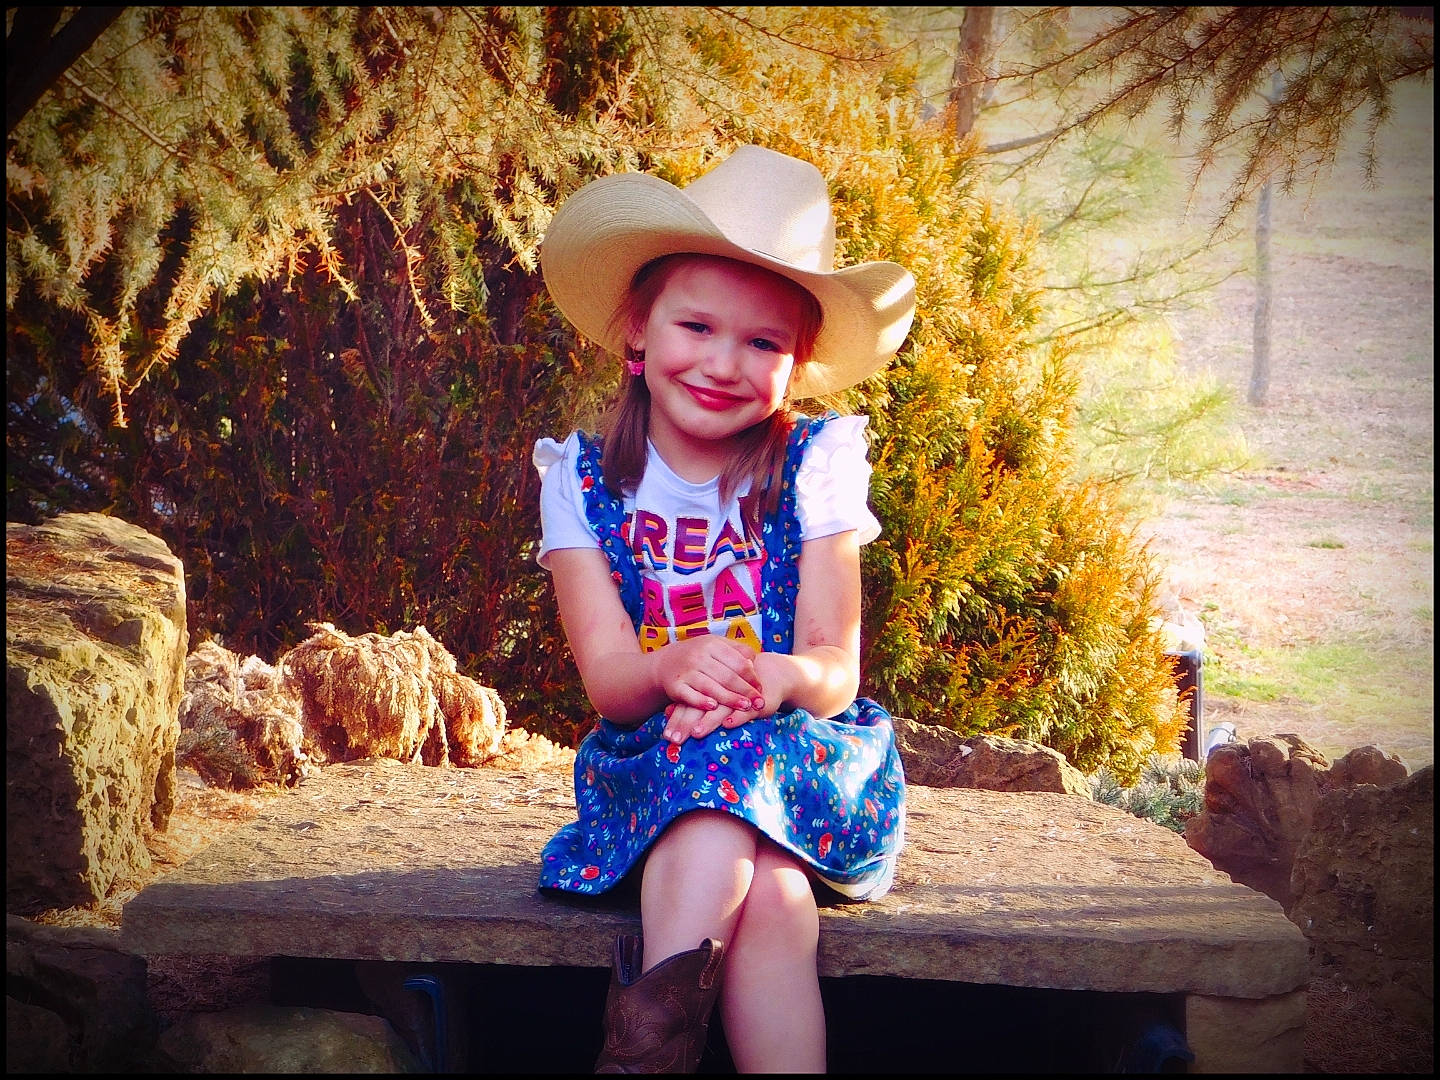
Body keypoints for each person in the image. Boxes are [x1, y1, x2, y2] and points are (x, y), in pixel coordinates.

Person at [532, 144, 915, 1074]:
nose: (721, 362)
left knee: (735, 795)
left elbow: (833, 669)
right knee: (773, 903)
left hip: (801, 762)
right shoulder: (581, 483)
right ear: (637, 329)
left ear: (800, 361)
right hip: (652, 766)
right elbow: (612, 685)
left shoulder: (813, 468)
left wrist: (771, 677)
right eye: (696, 326)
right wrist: (669, 668)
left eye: (762, 342)